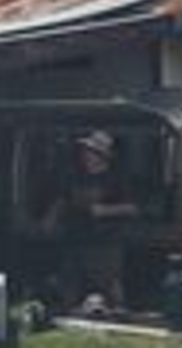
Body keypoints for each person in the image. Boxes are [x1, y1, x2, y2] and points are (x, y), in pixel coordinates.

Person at [60, 130, 139, 313]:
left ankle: (119, 310)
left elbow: (134, 208)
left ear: (101, 156)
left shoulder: (117, 179)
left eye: (90, 151)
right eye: (84, 151)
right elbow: (65, 198)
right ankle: (72, 311)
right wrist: (50, 217)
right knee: (71, 279)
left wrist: (106, 210)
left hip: (106, 239)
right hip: (75, 235)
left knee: (109, 281)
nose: (85, 155)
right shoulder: (77, 175)